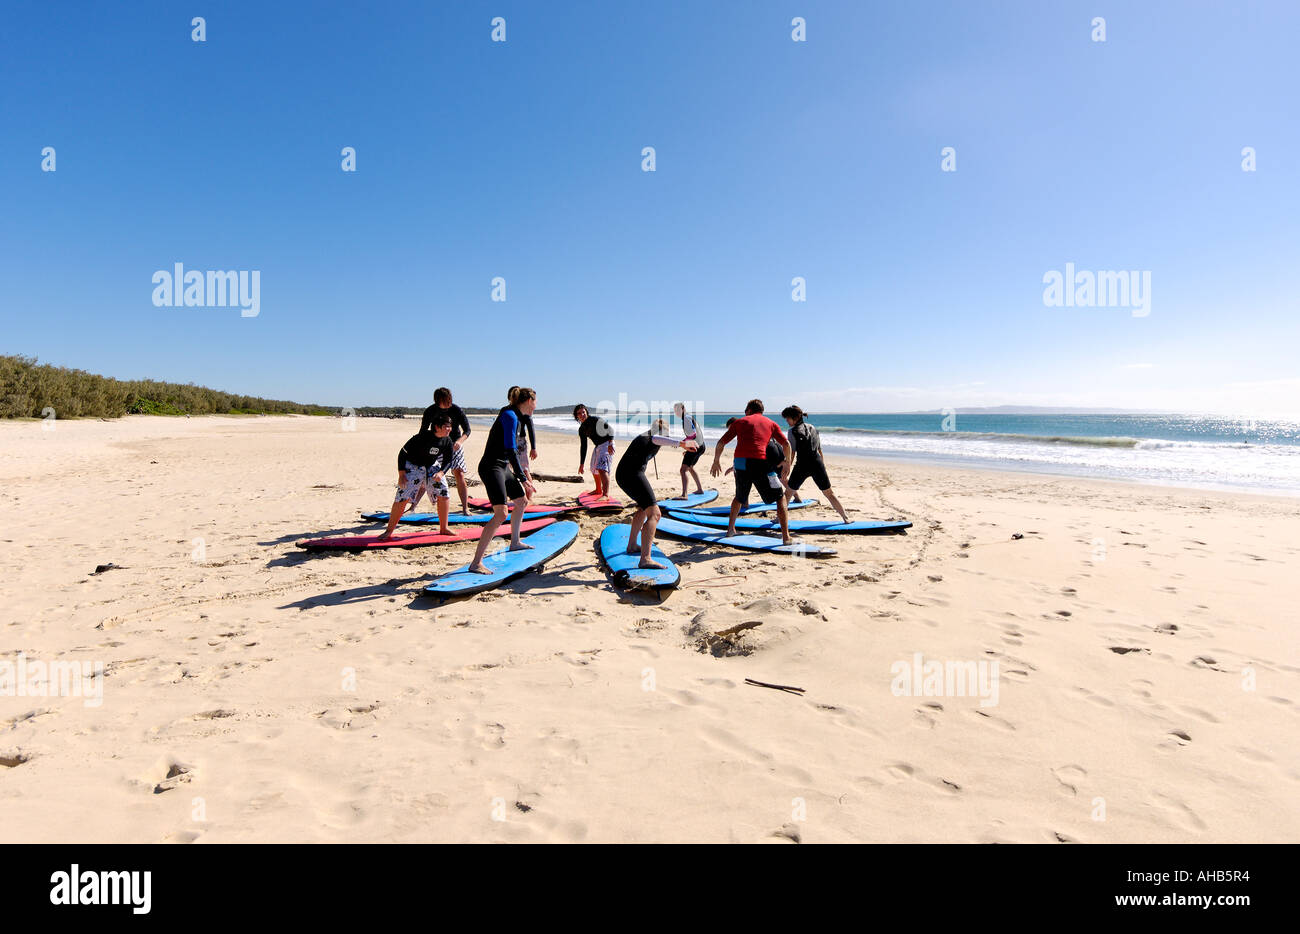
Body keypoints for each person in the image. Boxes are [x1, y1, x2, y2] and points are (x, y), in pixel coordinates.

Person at [468, 388, 539, 574]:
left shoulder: (516, 415)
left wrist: (519, 474)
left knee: (521, 501)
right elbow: (510, 449)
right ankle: (476, 563)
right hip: (491, 467)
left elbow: (512, 450)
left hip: (502, 466)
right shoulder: (510, 416)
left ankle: (514, 542)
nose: (536, 406)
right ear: (529, 400)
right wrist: (523, 478)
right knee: (500, 514)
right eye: (535, 401)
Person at [615, 418, 697, 568]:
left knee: (643, 508)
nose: (668, 436)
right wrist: (681, 444)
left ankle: (632, 545)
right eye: (667, 433)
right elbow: (657, 438)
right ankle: (645, 559)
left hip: (625, 474)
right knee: (655, 514)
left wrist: (680, 444)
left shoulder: (651, 438)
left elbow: (661, 440)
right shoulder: (652, 437)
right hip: (630, 475)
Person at [709, 399, 793, 544]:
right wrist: (787, 462)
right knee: (780, 497)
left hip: (740, 463)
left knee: (739, 497)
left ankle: (730, 530)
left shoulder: (739, 422)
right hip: (760, 462)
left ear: (749, 410)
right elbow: (786, 444)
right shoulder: (770, 423)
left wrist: (716, 461)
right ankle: (786, 537)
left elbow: (721, 442)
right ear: (761, 411)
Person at [377, 414, 455, 540]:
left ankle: (444, 528)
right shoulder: (422, 437)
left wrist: (441, 473)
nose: (449, 429)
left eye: (450, 427)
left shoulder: (447, 441)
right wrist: (401, 474)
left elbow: (448, 461)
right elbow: (402, 453)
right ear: (437, 427)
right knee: (403, 497)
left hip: (431, 466)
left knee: (444, 492)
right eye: (447, 427)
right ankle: (389, 531)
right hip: (413, 466)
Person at [782, 405, 849, 523]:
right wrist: (822, 466)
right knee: (829, 493)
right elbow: (819, 449)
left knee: (788, 494)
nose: (786, 421)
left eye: (787, 418)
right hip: (817, 463)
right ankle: (845, 517)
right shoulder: (812, 427)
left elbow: (792, 452)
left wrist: (788, 467)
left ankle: (779, 518)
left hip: (802, 466)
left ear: (795, 418)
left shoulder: (792, 431)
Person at [421, 387, 473, 513]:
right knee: (427, 475)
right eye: (444, 401)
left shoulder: (456, 410)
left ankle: (465, 508)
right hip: (437, 446)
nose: (447, 403)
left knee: (459, 474)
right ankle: (412, 506)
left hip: (455, 445)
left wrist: (460, 441)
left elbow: (467, 430)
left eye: (448, 400)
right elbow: (423, 431)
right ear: (437, 400)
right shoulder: (430, 411)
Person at [573, 403, 616, 500]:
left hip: (607, 443)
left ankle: (605, 494)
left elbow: (610, 430)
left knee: (602, 468)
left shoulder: (595, 420)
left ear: (586, 412)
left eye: (583, 412)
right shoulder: (581, 429)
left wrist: (610, 443)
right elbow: (583, 446)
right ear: (577, 416)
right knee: (593, 468)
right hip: (598, 446)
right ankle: (598, 490)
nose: (582, 415)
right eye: (579, 414)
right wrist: (581, 463)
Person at [507, 385, 539, 495]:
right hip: (511, 443)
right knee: (509, 470)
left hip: (520, 442)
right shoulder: (510, 412)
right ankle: (512, 497)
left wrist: (534, 448)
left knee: (524, 470)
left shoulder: (525, 414)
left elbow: (531, 430)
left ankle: (529, 497)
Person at [674, 402, 705, 498]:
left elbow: (692, 435)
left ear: (683, 409)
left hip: (696, 447)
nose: (676, 412)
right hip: (700, 446)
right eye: (675, 411)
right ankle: (700, 489)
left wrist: (682, 443)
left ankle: (684, 495)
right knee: (690, 467)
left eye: (678, 410)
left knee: (683, 470)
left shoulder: (686, 419)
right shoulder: (688, 417)